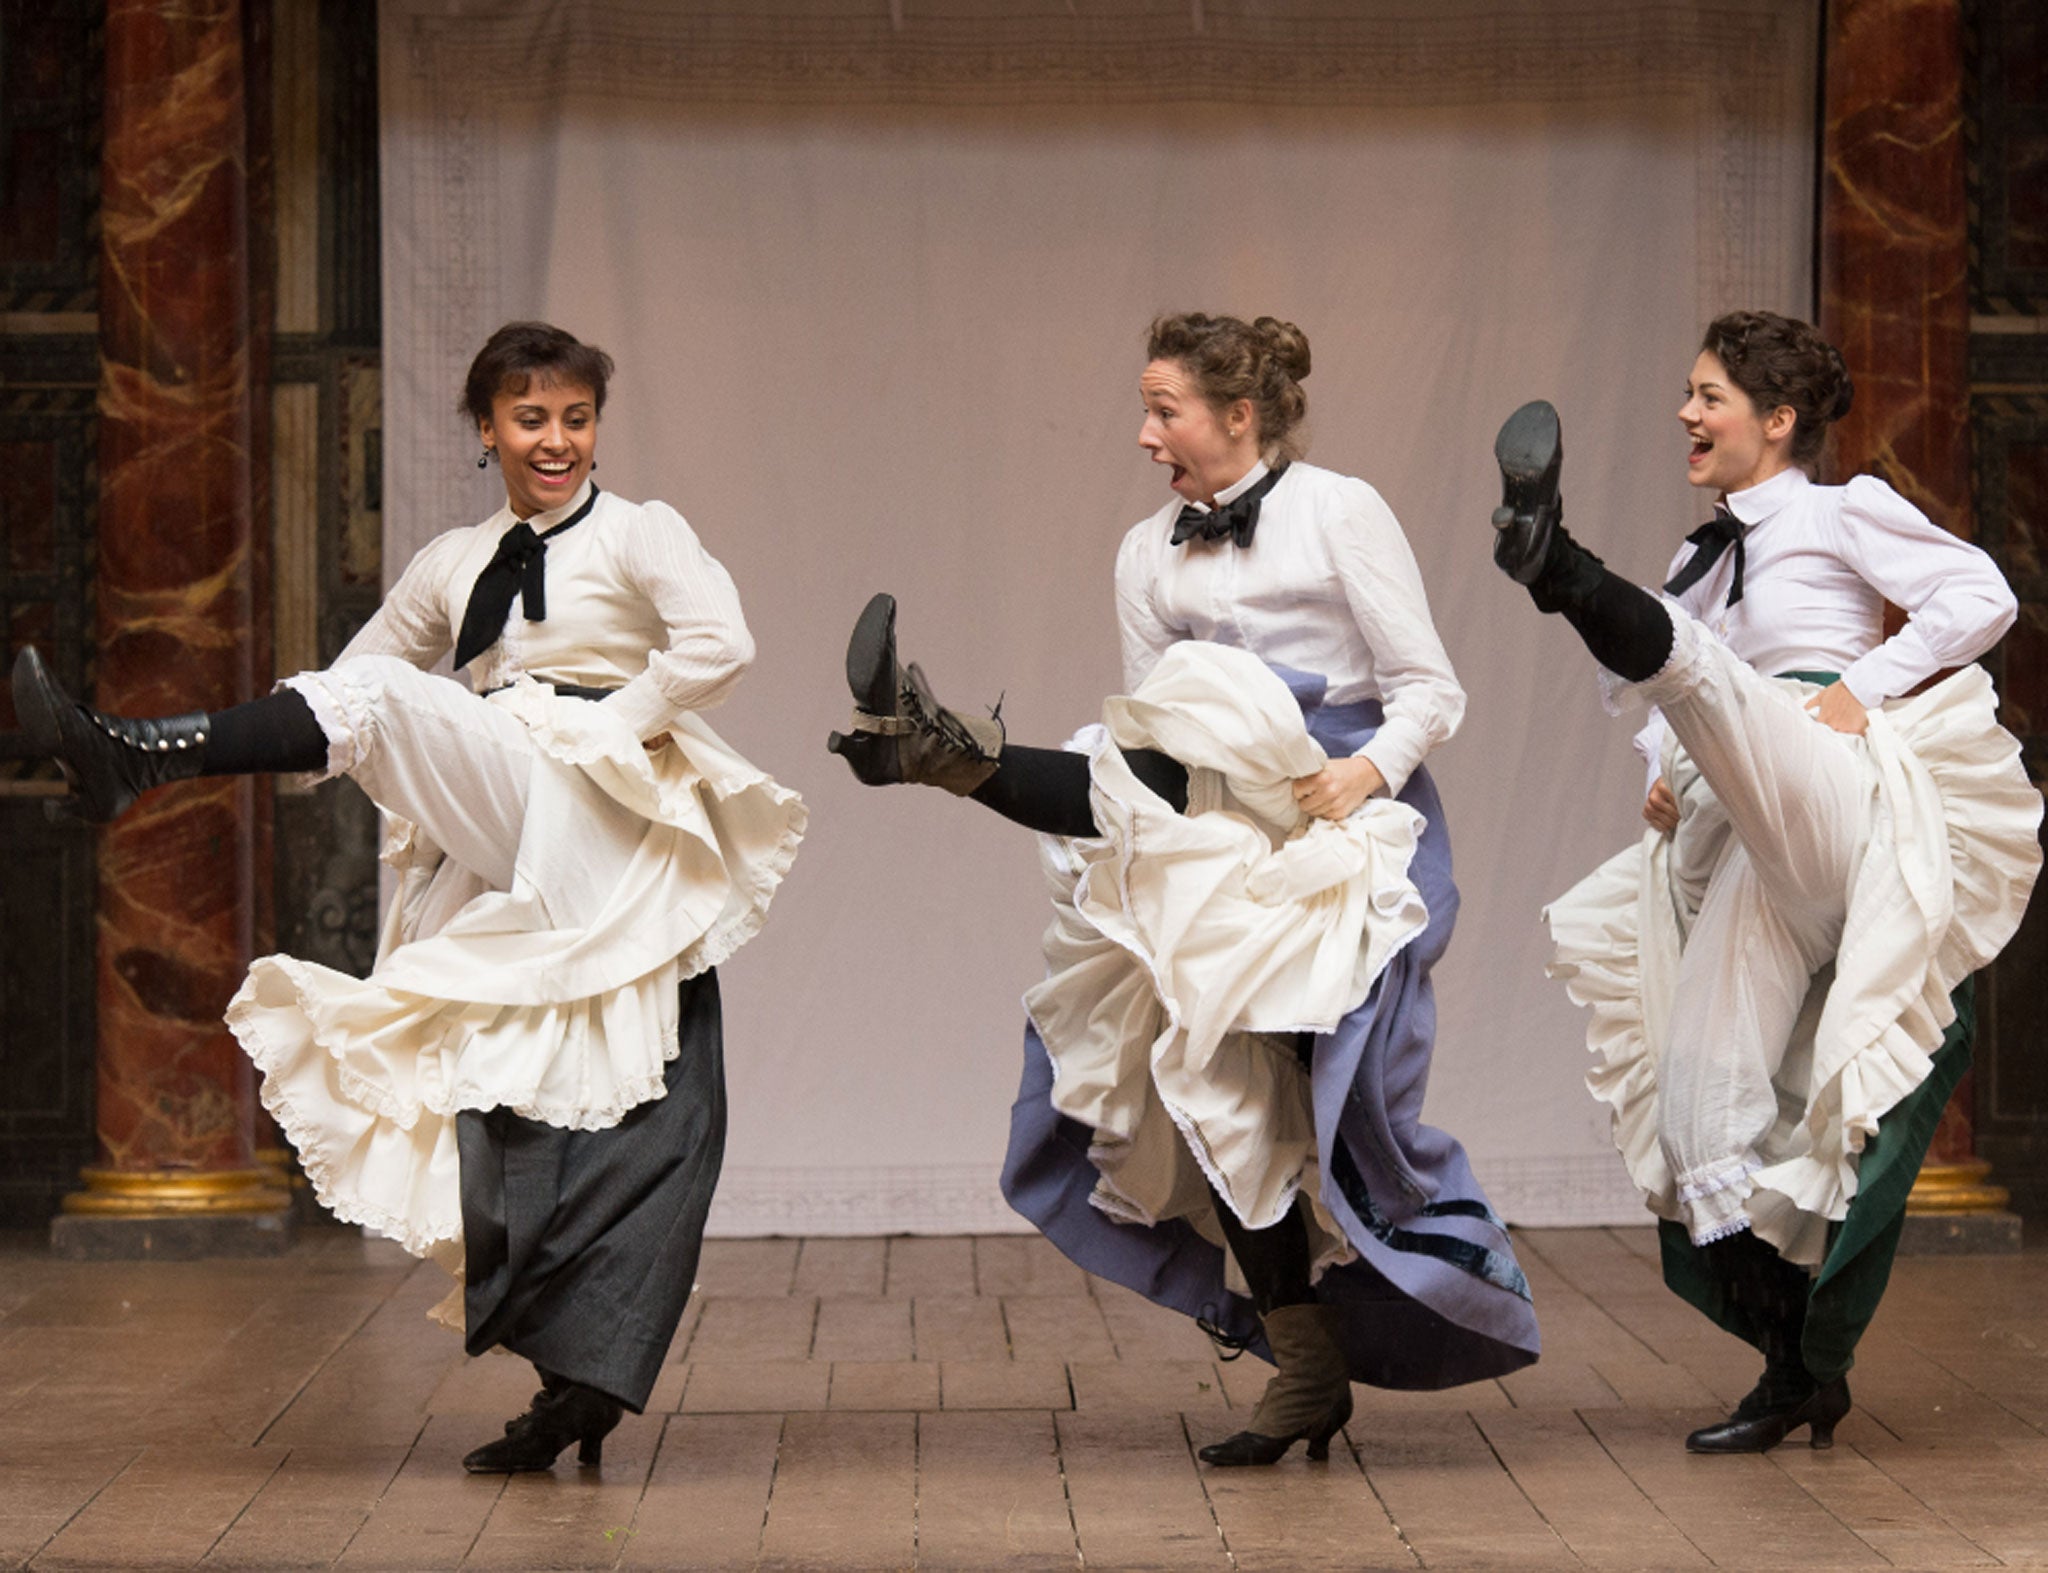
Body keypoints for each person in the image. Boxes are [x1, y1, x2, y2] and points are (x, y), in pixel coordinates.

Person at [13, 321, 805, 1473]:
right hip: (513, 819)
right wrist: (331, 734)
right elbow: (346, 693)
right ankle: (569, 1378)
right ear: (485, 429)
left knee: (383, 696)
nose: (557, 441)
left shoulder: (642, 533)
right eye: (531, 419)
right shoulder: (452, 561)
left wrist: (607, 718)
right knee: (510, 1085)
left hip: (597, 802)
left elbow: (719, 645)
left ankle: (141, 753)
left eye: (576, 419)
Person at [829, 311, 1539, 1467]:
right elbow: (1152, 730)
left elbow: (1427, 685)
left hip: (1339, 826)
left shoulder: (1338, 509)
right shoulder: (1144, 550)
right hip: (1216, 827)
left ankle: (952, 755)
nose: (1146, 433)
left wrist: (1361, 770)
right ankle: (1304, 1374)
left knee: (1332, 1106)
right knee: (1210, 1089)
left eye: (1164, 408)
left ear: (1238, 415)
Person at [1492, 309, 2041, 1452]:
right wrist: (1658, 773)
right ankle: (1797, 1370)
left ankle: (1555, 563)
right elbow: (1651, 708)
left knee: (1723, 690)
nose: (1685, 415)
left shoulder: (1842, 512)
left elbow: (1978, 595)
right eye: (1687, 394)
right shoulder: (1696, 558)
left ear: (1777, 419)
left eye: (1707, 396)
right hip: (1742, 833)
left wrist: (1866, 683)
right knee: (1696, 1125)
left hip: (1837, 792)